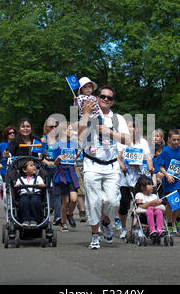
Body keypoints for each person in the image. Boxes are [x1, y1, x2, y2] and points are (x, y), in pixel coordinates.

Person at [78, 85, 130, 249]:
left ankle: (106, 222)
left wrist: (108, 132)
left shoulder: (118, 118)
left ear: (113, 101)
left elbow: (127, 140)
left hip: (111, 164)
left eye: (109, 98)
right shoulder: (87, 114)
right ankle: (95, 235)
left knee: (113, 201)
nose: (105, 99)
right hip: (91, 163)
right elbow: (80, 137)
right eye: (102, 96)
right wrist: (85, 113)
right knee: (93, 202)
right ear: (97, 98)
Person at [117, 118, 154, 239]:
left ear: (137, 129)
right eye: (128, 126)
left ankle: (138, 227)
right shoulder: (122, 141)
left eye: (133, 126)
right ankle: (123, 228)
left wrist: (150, 167)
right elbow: (118, 157)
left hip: (138, 178)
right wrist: (122, 166)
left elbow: (148, 157)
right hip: (125, 177)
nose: (130, 129)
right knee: (123, 204)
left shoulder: (142, 142)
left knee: (139, 203)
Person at [157, 129, 180, 235]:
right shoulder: (165, 151)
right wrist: (167, 175)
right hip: (169, 182)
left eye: (178, 140)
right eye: (174, 140)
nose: (176, 142)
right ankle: (170, 224)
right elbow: (161, 166)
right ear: (169, 139)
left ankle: (177, 219)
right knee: (171, 204)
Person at [52, 122, 80, 232]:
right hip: (62, 174)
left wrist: (77, 154)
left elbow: (74, 157)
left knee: (74, 199)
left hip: (72, 173)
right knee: (66, 201)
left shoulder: (74, 144)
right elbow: (54, 163)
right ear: (63, 131)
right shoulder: (57, 145)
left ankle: (70, 213)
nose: (72, 132)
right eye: (70, 129)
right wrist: (58, 158)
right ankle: (63, 223)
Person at [41, 117, 62, 225]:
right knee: (46, 191)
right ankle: (45, 215)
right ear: (46, 127)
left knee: (57, 192)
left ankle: (58, 216)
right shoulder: (43, 139)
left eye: (55, 126)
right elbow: (39, 156)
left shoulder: (60, 139)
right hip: (46, 168)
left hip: (58, 168)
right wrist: (47, 162)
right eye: (51, 126)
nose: (53, 128)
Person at [14, 157, 46, 228]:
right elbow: (16, 186)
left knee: (35, 201)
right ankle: (26, 219)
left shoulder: (38, 178)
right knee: (23, 201)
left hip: (36, 194)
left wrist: (42, 185)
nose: (34, 167)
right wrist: (17, 186)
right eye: (31, 165)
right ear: (25, 170)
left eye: (34, 165)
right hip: (24, 195)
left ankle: (34, 219)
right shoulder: (20, 179)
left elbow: (43, 185)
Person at [134, 175, 167, 240]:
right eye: (150, 185)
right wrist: (151, 203)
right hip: (144, 215)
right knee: (149, 210)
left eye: (152, 185)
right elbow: (140, 206)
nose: (152, 187)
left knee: (159, 211)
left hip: (154, 213)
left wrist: (158, 203)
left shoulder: (154, 196)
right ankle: (152, 230)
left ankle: (159, 229)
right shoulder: (139, 195)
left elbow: (157, 205)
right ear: (142, 187)